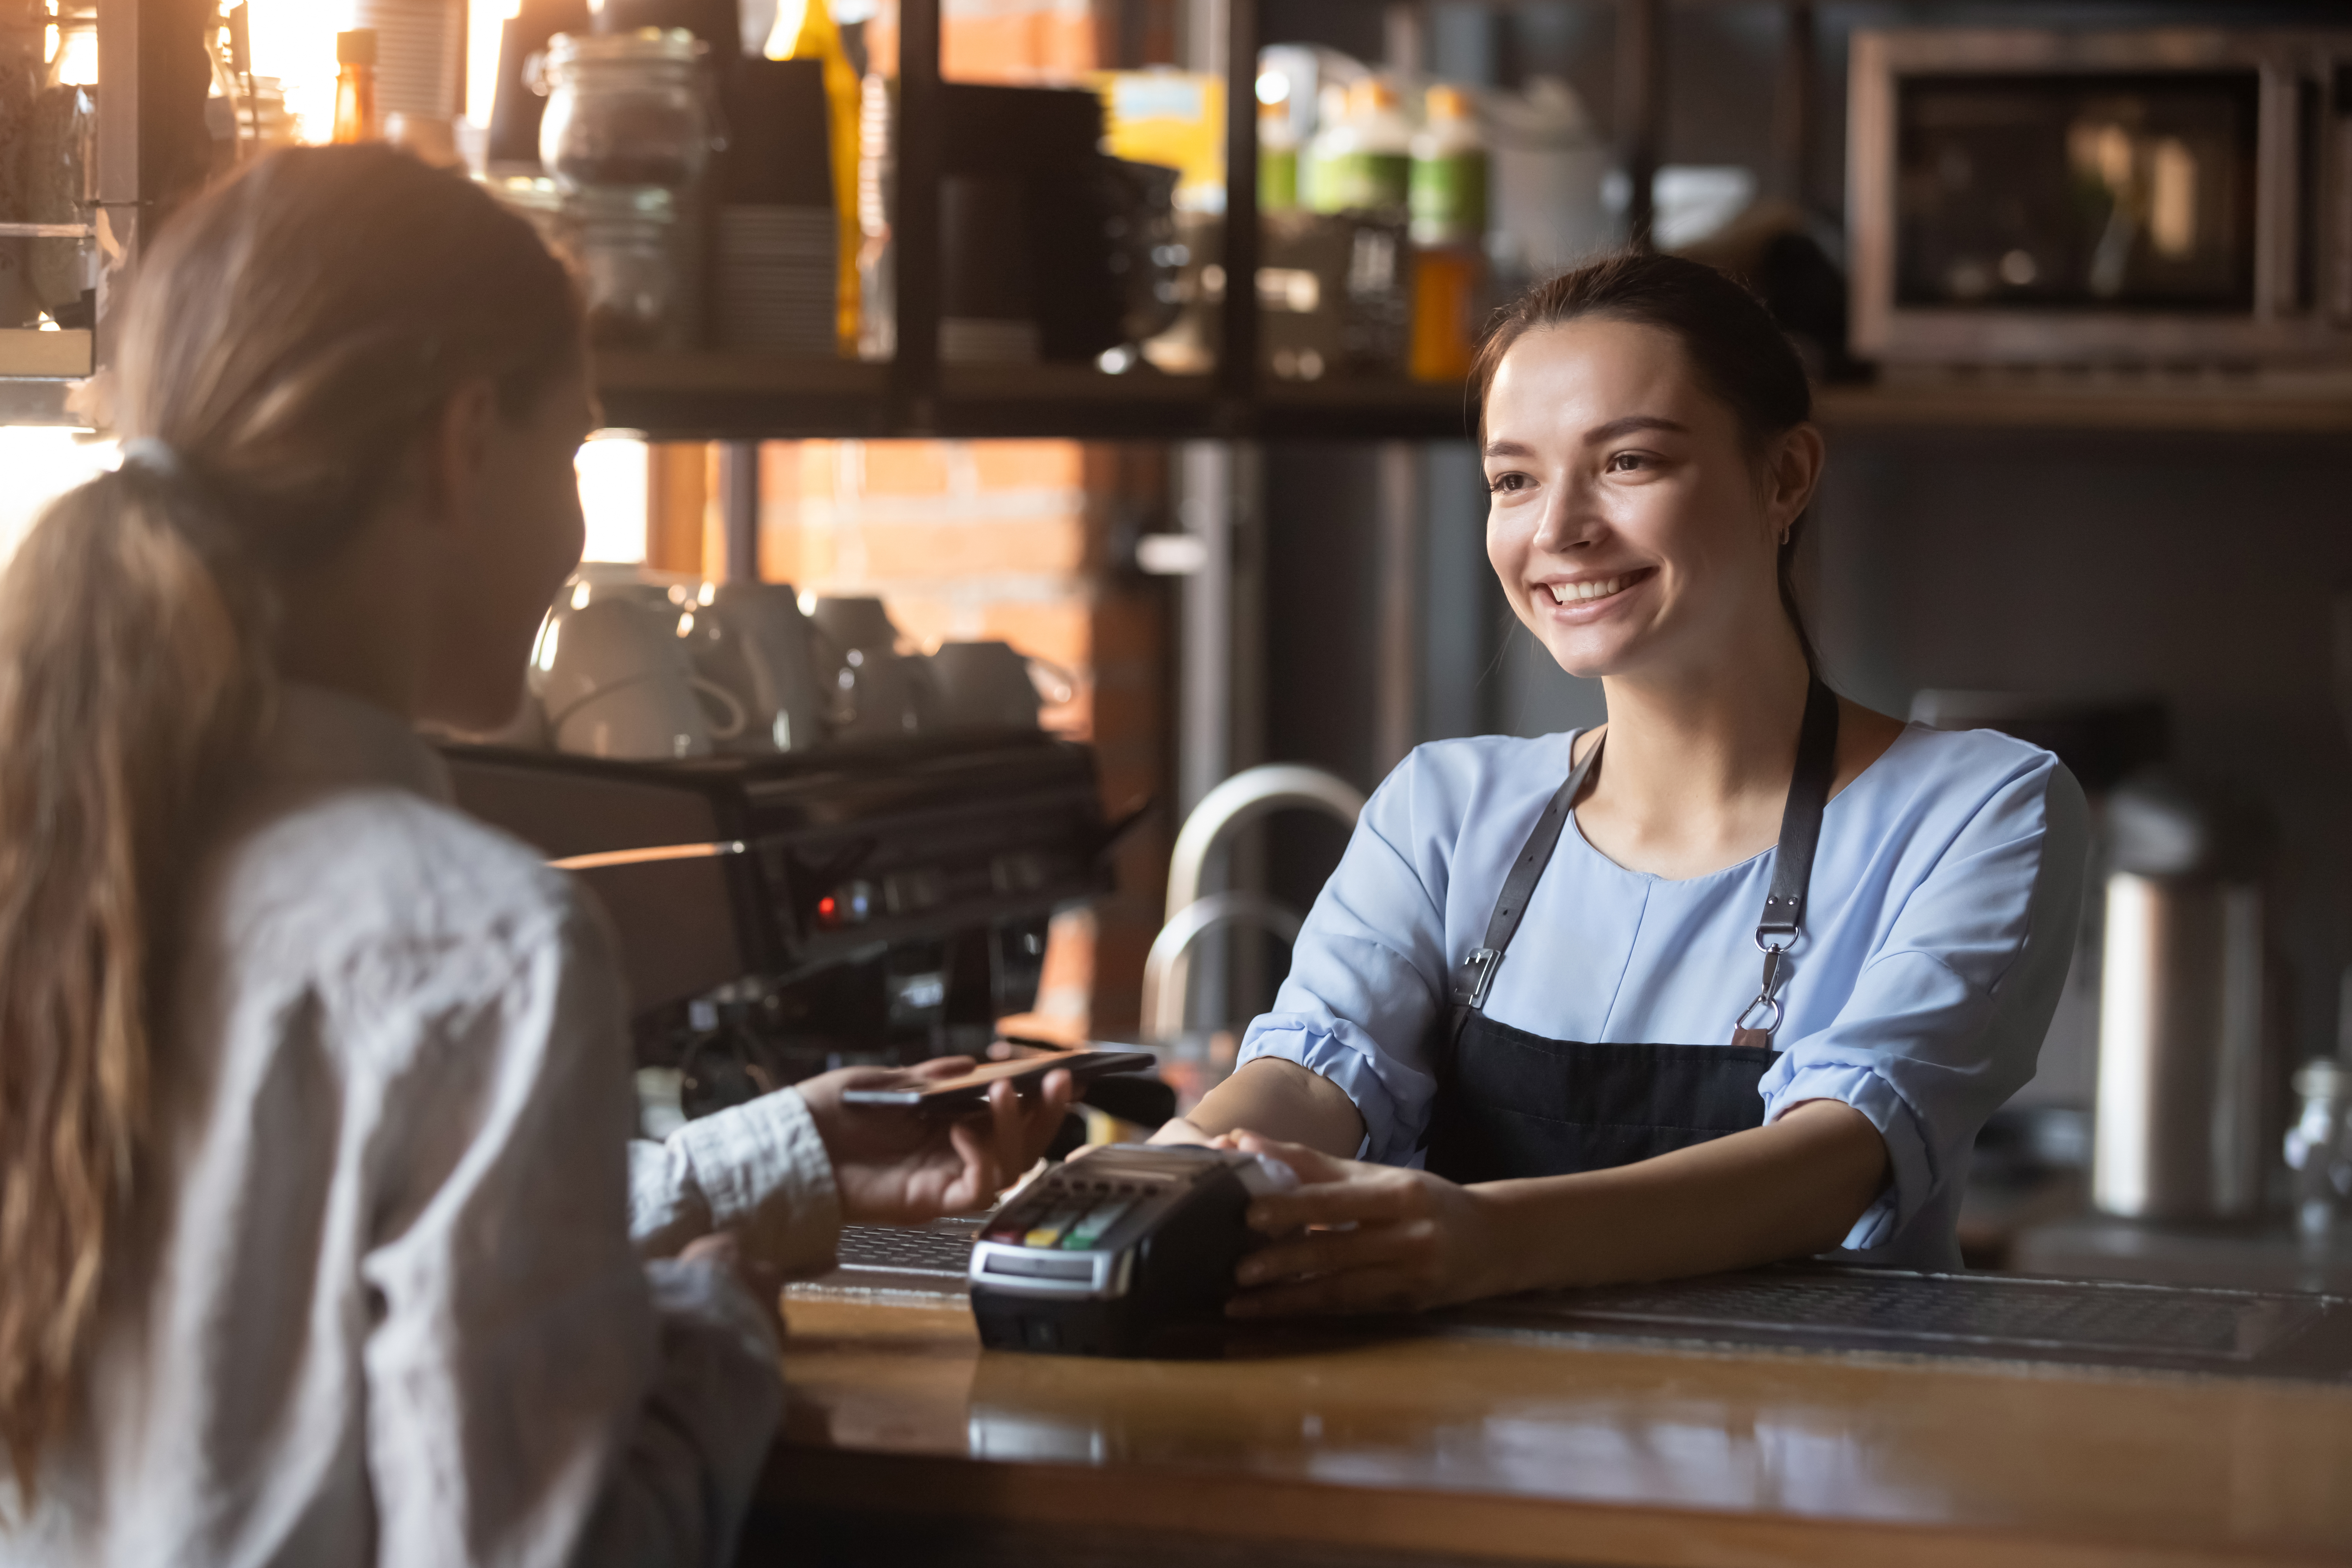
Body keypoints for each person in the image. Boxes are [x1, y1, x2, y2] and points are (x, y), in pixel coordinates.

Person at [0, 144, 1070, 1565]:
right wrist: (714, 1351)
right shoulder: (481, 940)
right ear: (462, 442)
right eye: (574, 450)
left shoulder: (55, 854)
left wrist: (774, 1160)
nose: (576, 525)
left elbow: (284, 1279)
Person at [1160, 252, 2087, 1315]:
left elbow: (1840, 1157)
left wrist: (1486, 1237)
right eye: (1514, 479)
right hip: (1471, 1450)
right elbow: (1316, 1076)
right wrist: (1163, 1179)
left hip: (1817, 1456)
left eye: (1630, 462)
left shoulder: (1978, 808)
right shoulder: (1443, 810)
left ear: (1784, 478)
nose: (1558, 531)